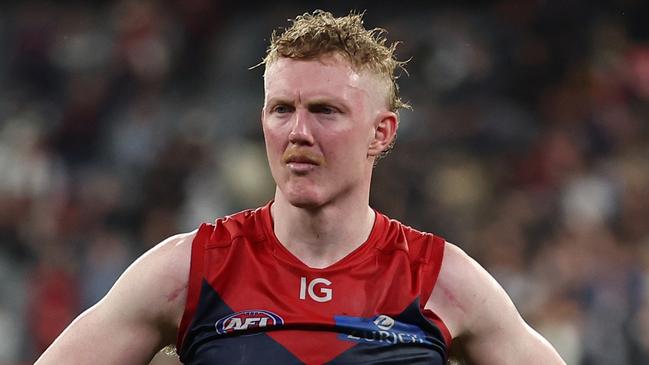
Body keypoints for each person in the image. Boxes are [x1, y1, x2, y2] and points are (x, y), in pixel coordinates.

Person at [36, 10, 565, 365]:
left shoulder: (441, 279)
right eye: (282, 110)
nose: (299, 133)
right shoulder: (190, 270)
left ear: (380, 133)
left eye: (325, 112)